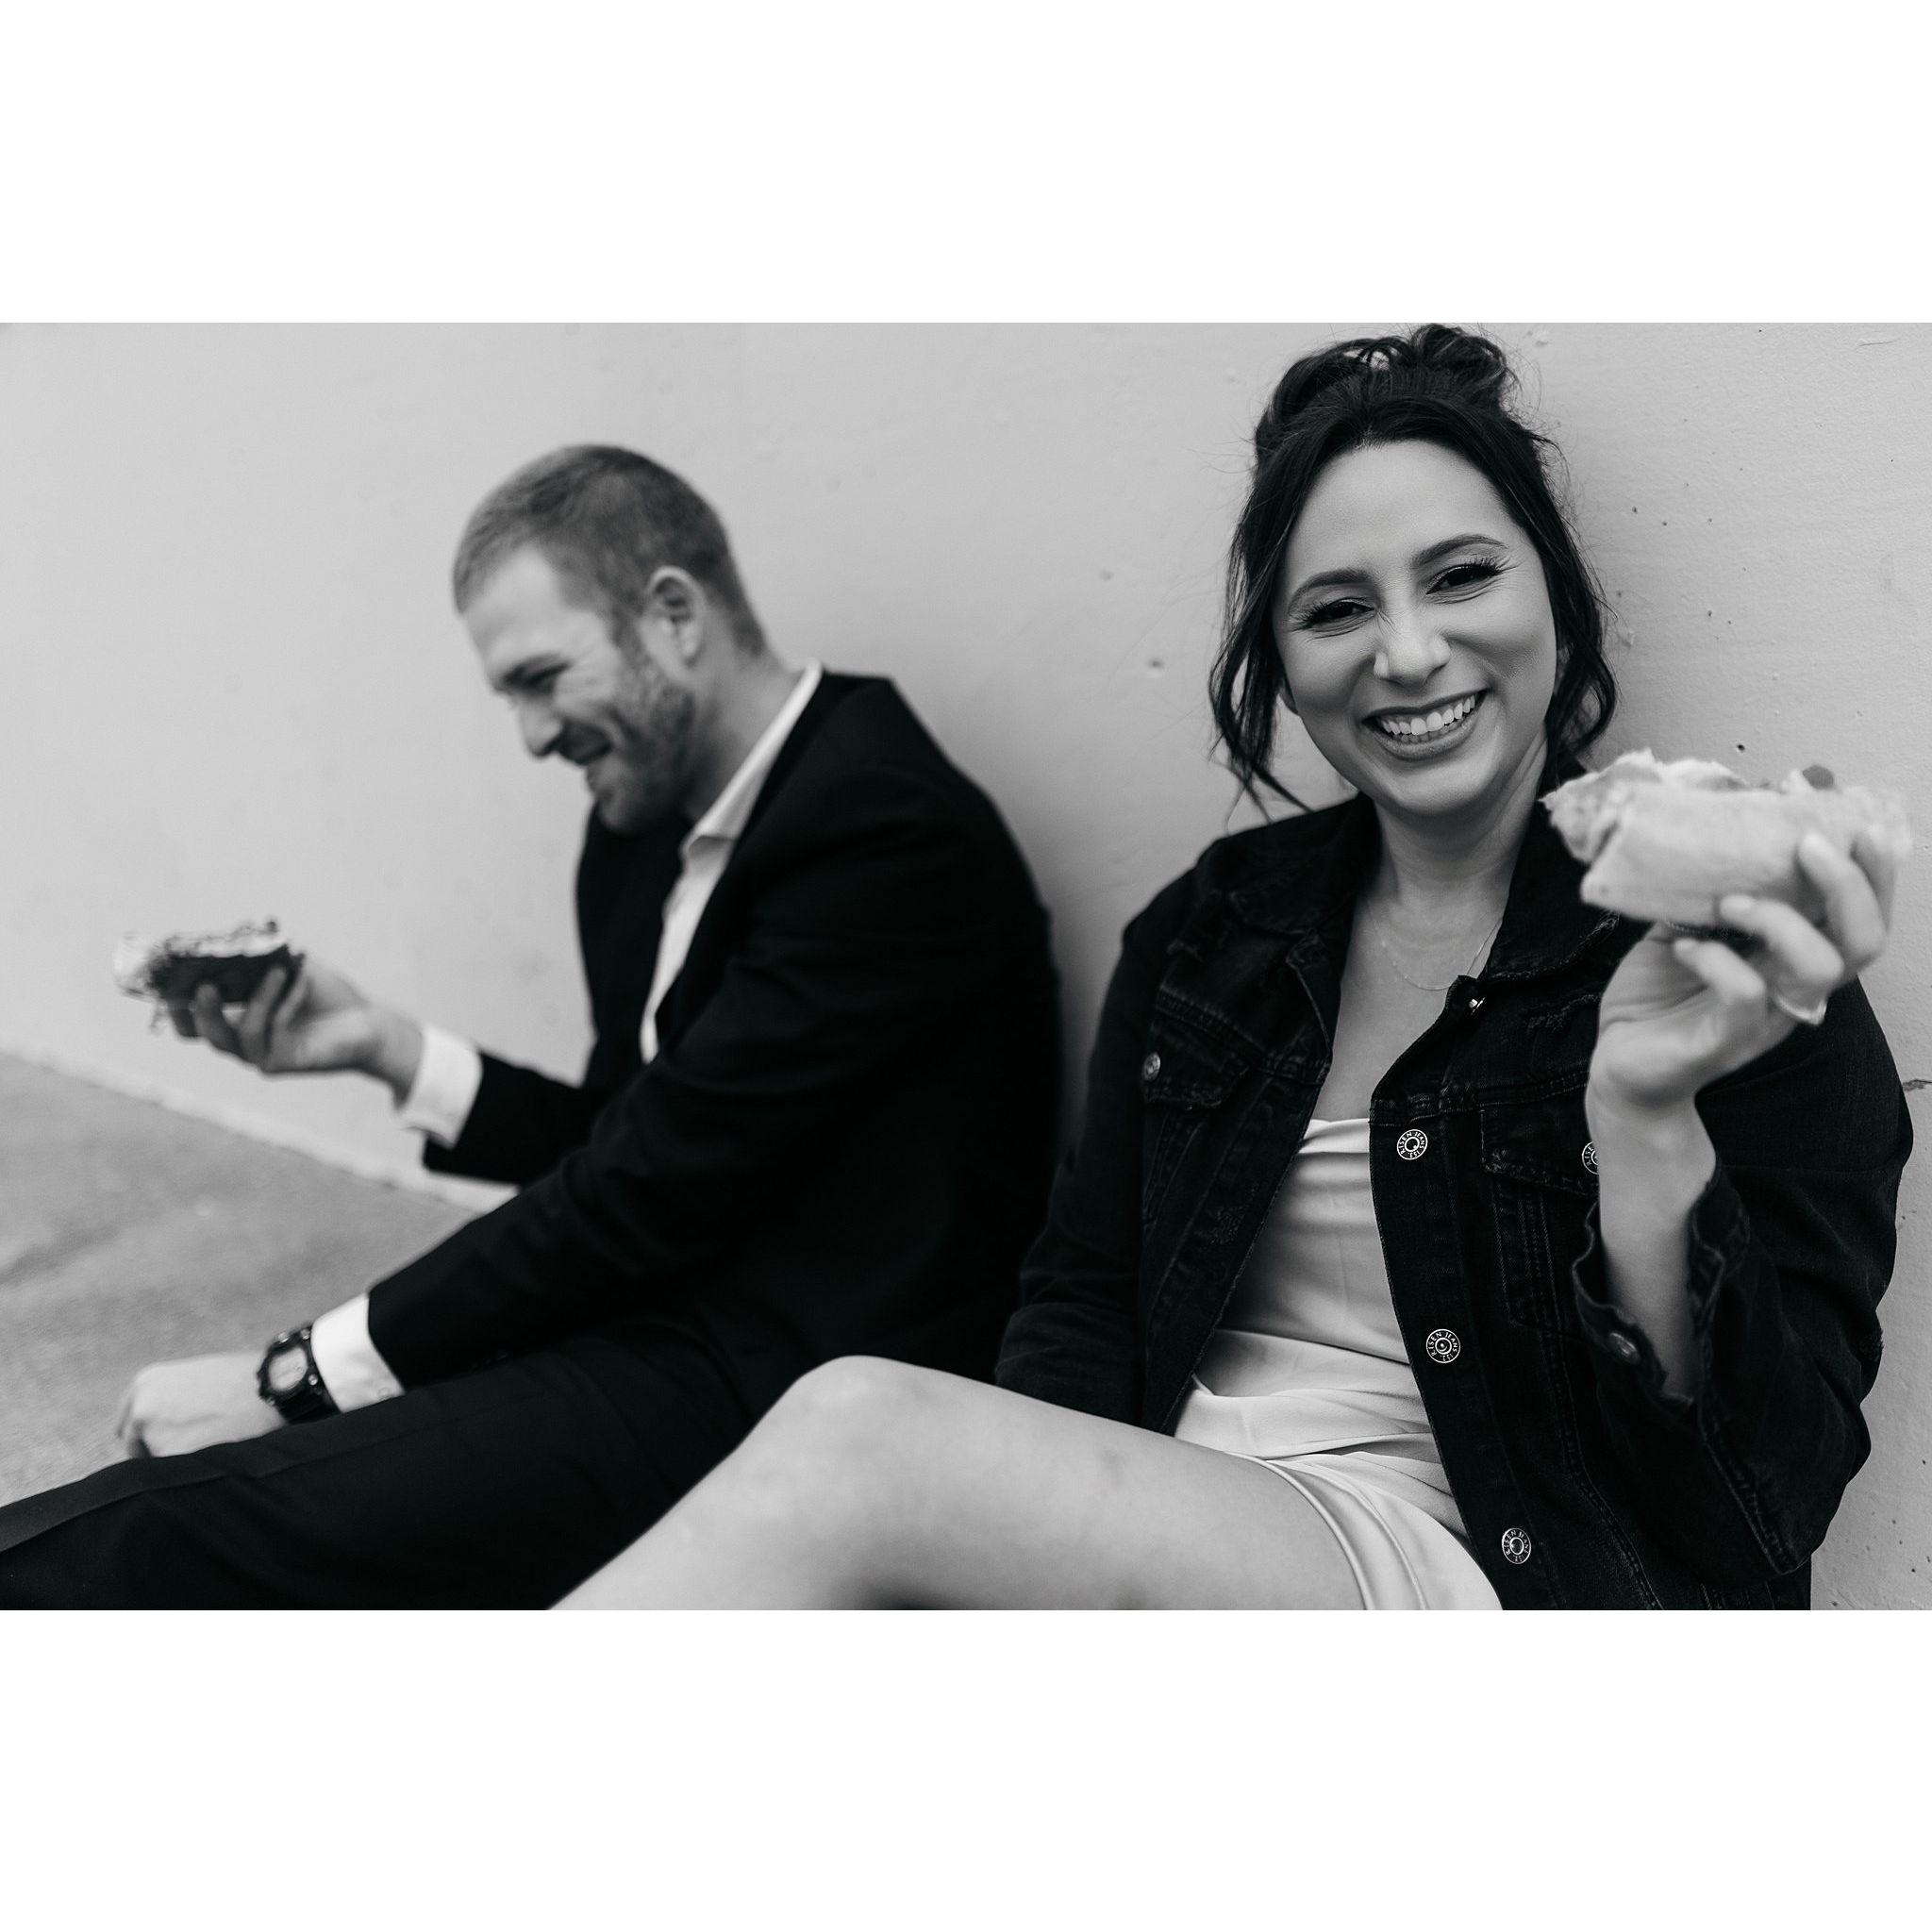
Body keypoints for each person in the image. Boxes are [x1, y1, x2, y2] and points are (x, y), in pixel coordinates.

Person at [559, 327, 1912, 1611]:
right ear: (1281, 656)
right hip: (1171, 1523)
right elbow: (1083, 1300)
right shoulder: (1213, 932)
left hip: (1464, 1572)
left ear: (1553, 591)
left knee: (858, 1431)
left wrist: (1644, 1121)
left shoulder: (1732, 959)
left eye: (1460, 576)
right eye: (1336, 607)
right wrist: (1006, 1566)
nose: (1406, 652)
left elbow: (1757, 1511)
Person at [0, 445, 1058, 1607]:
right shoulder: (640, 827)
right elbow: (630, 1138)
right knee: (195, 1509)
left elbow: (638, 1189)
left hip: (780, 1396)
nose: (531, 734)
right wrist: (388, 1047)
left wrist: (293, 1375)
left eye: (541, 677)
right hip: (642, 1322)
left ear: (672, 614)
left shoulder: (883, 828)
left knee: (168, 1531)